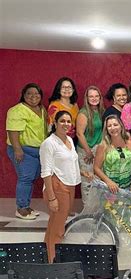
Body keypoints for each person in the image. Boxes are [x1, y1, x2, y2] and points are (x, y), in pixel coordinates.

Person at [40, 111, 81, 262]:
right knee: (58, 229)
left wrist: (84, 173)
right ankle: (54, 263)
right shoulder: (49, 143)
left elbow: (71, 162)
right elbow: (46, 172)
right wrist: (52, 198)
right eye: (62, 121)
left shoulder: (69, 140)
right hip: (57, 187)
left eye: (68, 121)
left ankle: (46, 257)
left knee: (54, 224)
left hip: (69, 186)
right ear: (55, 123)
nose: (66, 124)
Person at [6, 83, 48, 220]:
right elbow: (13, 131)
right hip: (23, 149)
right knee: (26, 178)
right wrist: (17, 149)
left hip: (38, 150)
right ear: (23, 95)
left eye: (36, 94)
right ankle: (21, 208)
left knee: (32, 177)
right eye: (29, 93)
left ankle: (26, 205)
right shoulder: (17, 110)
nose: (33, 96)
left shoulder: (41, 109)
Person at [94, 115, 131, 193]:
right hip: (110, 188)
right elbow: (96, 168)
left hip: (128, 187)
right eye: (109, 126)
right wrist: (108, 182)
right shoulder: (103, 146)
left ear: (121, 126)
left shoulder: (130, 144)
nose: (113, 128)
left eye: (115, 125)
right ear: (106, 129)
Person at [75, 86, 104, 203]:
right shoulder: (84, 113)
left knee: (97, 179)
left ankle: (96, 206)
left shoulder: (101, 111)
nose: (94, 98)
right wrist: (88, 151)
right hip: (86, 150)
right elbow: (79, 133)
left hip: (98, 149)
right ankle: (87, 208)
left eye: (96, 96)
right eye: (91, 96)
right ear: (86, 98)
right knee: (87, 179)